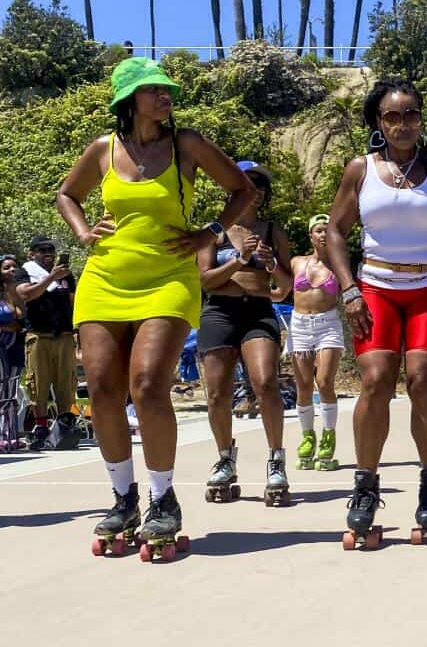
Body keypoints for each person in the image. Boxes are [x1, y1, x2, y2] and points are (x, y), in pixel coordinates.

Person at [58, 56, 255, 556]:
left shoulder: (186, 144)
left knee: (146, 385)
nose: (165, 95)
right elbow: (67, 194)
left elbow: (242, 189)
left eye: (168, 89)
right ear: (129, 99)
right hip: (104, 277)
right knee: (103, 387)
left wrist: (208, 233)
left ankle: (162, 498)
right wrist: (83, 231)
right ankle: (123, 497)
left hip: (169, 278)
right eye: (154, 89)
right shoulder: (102, 149)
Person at [326, 78, 427, 548]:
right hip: (375, 285)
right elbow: (335, 232)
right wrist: (349, 290)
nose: (402, 124)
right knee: (374, 379)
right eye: (392, 116)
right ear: (378, 121)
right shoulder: (360, 169)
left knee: (421, 380)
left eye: (410, 114)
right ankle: (365, 486)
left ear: (421, 118)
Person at [197, 161, 294, 505]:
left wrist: (268, 264)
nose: (254, 191)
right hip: (219, 311)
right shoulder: (214, 231)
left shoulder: (272, 231)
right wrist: (239, 260)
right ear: (232, 190)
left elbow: (286, 286)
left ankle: (276, 460)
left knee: (265, 381)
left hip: (257, 310)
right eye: (246, 184)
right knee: (218, 393)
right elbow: (205, 279)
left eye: (259, 185)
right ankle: (225, 457)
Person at [289, 214, 345, 472]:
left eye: (327, 230)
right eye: (318, 231)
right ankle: (308, 436)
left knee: (324, 381)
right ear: (310, 235)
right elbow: (280, 287)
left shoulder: (338, 265)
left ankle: (329, 435)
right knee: (302, 386)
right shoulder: (296, 262)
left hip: (327, 324)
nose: (323, 235)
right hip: (300, 325)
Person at [14, 236, 77, 450]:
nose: (48, 253)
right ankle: (41, 429)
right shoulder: (25, 271)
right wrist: (51, 278)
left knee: (66, 383)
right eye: (42, 250)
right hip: (39, 336)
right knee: (38, 384)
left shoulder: (65, 273)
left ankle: (64, 427)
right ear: (32, 254)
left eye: (51, 249)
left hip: (65, 335)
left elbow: (72, 300)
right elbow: (25, 294)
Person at [1, 255, 26, 451]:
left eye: (14, 267)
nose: (12, 270)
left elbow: (21, 319)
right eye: (6, 267)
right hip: (1, 347)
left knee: (11, 392)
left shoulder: (15, 292)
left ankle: (10, 436)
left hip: (15, 347)